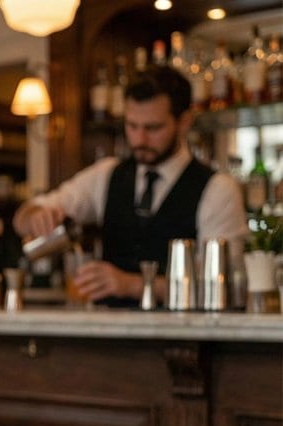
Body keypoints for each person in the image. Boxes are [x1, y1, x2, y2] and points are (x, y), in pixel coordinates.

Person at [13, 66, 247, 306]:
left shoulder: (218, 189)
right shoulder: (106, 174)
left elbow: (221, 285)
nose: (139, 139)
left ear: (184, 122)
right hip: (111, 333)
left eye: (153, 128)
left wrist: (132, 285)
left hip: (183, 337)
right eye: (132, 126)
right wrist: (35, 216)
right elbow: (23, 217)